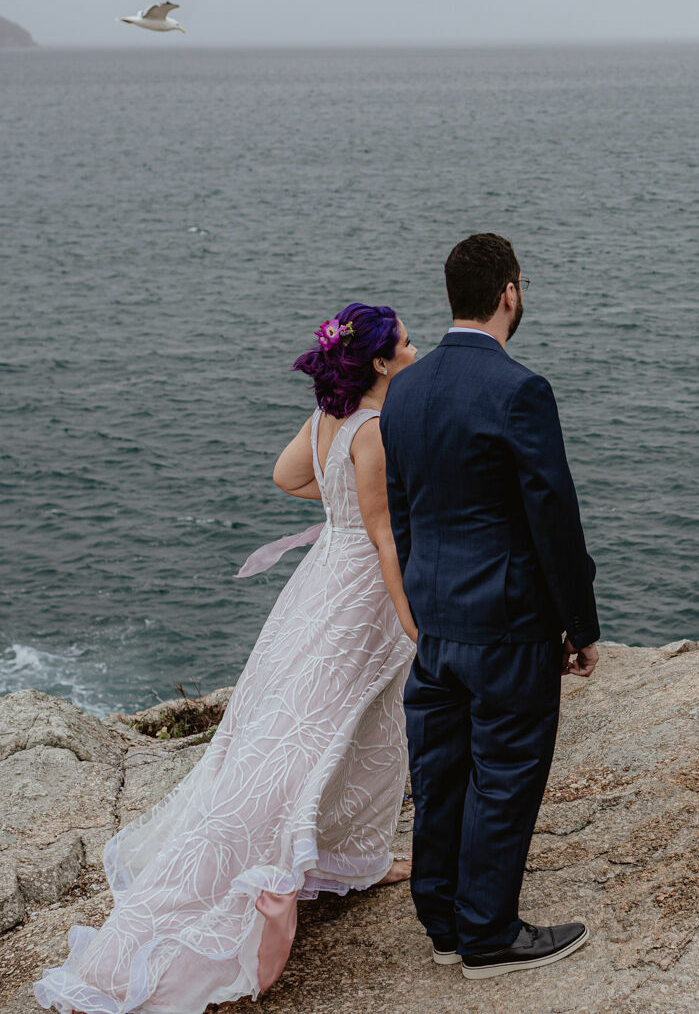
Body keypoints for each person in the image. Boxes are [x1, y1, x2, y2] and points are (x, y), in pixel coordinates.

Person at [34, 304, 421, 1014]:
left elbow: (286, 478)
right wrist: (412, 618)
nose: (414, 347)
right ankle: (296, 862)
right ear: (377, 361)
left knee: (348, 727)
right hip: (361, 594)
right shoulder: (373, 431)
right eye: (404, 341)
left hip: (319, 584)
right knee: (333, 732)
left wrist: (332, 500)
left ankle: (351, 860)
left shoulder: (330, 419)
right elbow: (387, 539)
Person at [380, 232, 601, 980]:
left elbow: (401, 509)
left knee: (440, 774)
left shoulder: (405, 389)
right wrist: (580, 623)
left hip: (437, 621)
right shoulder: (519, 391)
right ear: (510, 293)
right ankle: (488, 935)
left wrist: (421, 600)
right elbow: (553, 519)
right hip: (507, 628)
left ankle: (442, 920)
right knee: (503, 775)